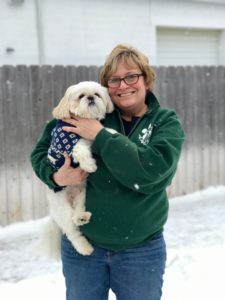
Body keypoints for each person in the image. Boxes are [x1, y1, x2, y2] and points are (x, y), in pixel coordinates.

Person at [30, 44, 185, 300]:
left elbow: (152, 173)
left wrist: (99, 136)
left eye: (131, 76)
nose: (123, 85)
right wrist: (56, 176)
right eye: (114, 80)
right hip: (85, 249)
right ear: (106, 87)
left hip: (141, 250)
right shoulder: (86, 113)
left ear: (147, 79)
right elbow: (40, 153)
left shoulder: (164, 122)